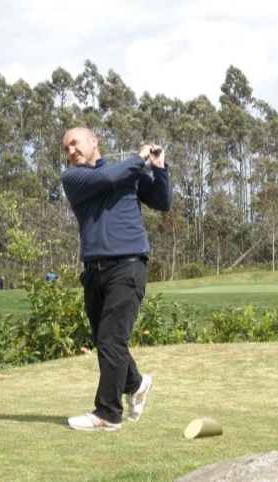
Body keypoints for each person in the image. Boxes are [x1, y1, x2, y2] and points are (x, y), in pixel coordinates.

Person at [61, 127, 172, 431]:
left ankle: (108, 414)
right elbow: (107, 178)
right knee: (106, 341)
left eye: (75, 143)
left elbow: (162, 202)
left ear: (93, 141)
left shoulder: (130, 173)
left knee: (112, 339)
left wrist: (159, 168)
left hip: (128, 266)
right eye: (66, 147)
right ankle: (135, 384)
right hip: (94, 273)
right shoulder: (74, 179)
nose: (71, 150)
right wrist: (139, 159)